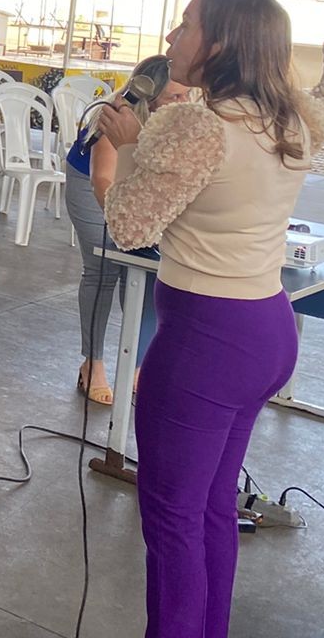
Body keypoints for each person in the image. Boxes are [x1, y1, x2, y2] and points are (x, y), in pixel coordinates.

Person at [96, 0, 324, 638]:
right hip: (265, 332)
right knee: (211, 506)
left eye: (187, 25)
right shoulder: (290, 119)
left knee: (171, 516)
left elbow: (128, 225)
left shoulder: (195, 127)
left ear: (219, 46)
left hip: (204, 344)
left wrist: (126, 145)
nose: (173, 35)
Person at [66, 62, 189, 405]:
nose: (183, 101)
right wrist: (131, 224)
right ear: (147, 94)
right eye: (174, 96)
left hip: (137, 185)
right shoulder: (116, 114)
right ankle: (92, 363)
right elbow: (103, 180)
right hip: (92, 185)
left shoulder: (182, 117)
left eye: (186, 93)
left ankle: (137, 365)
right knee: (104, 269)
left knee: (148, 272)